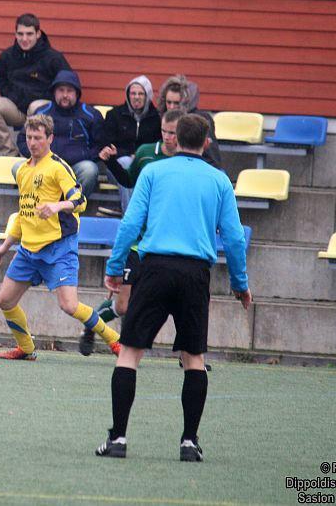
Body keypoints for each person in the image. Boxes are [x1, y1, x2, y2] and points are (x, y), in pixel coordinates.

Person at [95, 114, 250, 462]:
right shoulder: (219, 180)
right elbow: (234, 238)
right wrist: (240, 283)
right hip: (195, 274)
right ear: (206, 143)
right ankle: (189, 443)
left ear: (175, 139)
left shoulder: (154, 172)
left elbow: (130, 223)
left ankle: (118, 439)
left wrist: (115, 267)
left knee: (130, 353)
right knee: (194, 358)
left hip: (154, 269)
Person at [0, 115, 120, 361]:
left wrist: (58, 206)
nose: (32, 143)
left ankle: (114, 340)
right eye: (29, 137)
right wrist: (6, 245)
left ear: (50, 138)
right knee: (5, 300)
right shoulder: (23, 170)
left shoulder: (58, 167)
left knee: (69, 306)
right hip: (29, 250)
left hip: (59, 248)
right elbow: (24, 213)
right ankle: (26, 348)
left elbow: (80, 200)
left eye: (38, 138)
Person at [79, 109, 184, 356]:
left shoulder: (187, 161)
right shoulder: (147, 153)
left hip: (167, 243)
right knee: (123, 306)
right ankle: (91, 324)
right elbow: (128, 180)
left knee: (179, 302)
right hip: (139, 241)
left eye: (173, 133)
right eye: (164, 132)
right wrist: (110, 162)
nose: (168, 137)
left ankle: (189, 357)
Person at [0, 13, 71, 156]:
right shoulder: (8, 56)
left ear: (38, 34)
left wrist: (45, 97)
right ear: (15, 34)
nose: (24, 39)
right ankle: (10, 154)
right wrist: (10, 94)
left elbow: (67, 82)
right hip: (16, 107)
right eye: (20, 34)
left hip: (43, 110)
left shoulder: (53, 58)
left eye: (29, 34)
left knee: (35, 106)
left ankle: (32, 154)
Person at [21, 70, 103, 195]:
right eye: (61, 90)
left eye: (69, 91)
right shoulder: (41, 112)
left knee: (90, 169)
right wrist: (36, 156)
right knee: (18, 168)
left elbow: (101, 144)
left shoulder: (91, 114)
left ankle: (73, 205)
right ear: (54, 92)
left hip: (76, 168)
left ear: (77, 93)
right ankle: (40, 204)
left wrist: (84, 155)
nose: (65, 95)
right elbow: (22, 139)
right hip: (45, 165)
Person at [99, 75, 161, 213]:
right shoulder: (114, 115)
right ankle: (130, 214)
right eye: (133, 93)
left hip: (146, 166)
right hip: (118, 167)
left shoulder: (157, 118)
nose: (136, 97)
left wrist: (139, 157)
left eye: (141, 93)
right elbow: (106, 143)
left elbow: (159, 145)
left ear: (148, 96)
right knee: (127, 164)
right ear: (128, 95)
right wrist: (125, 154)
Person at [159, 75, 222, 168]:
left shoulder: (200, 121)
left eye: (176, 103)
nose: (171, 107)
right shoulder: (162, 118)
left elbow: (213, 158)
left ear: (185, 102)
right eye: (169, 102)